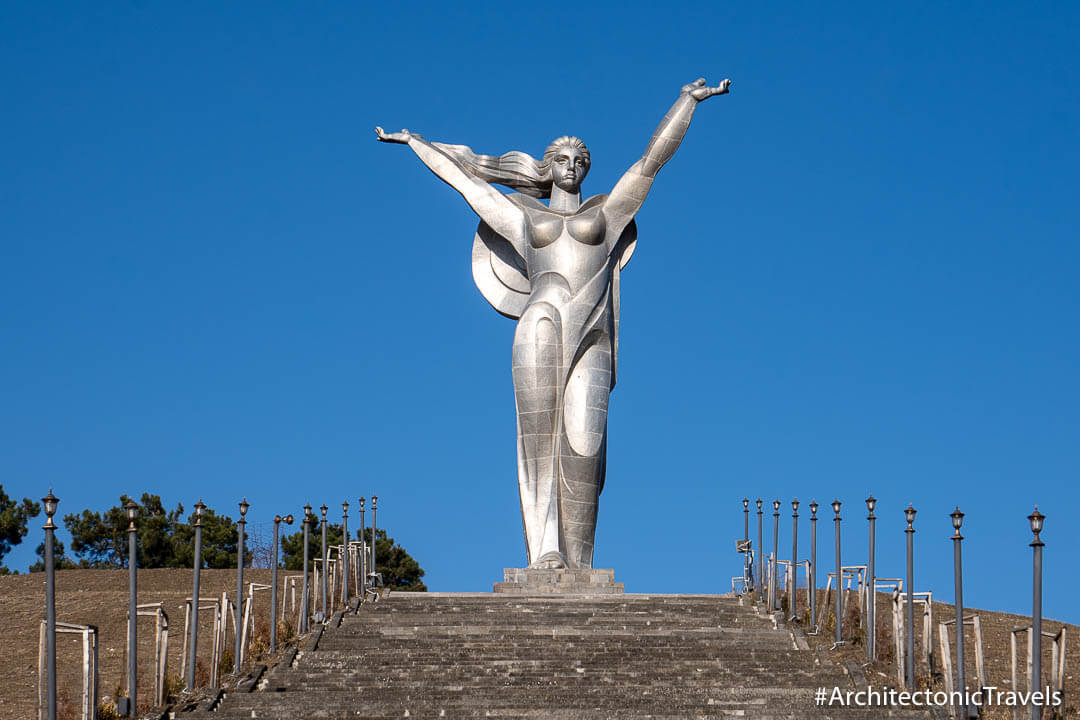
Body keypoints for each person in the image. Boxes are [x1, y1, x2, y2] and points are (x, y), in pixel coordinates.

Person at [376, 77, 730, 569]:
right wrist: (415, 142)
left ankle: (581, 559)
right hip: (540, 322)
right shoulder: (524, 217)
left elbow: (651, 164)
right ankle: (544, 550)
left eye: (580, 161)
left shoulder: (607, 213)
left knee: (586, 440)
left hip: (593, 333)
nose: (571, 167)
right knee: (539, 437)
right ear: (547, 167)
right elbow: (468, 184)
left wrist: (687, 102)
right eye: (562, 160)